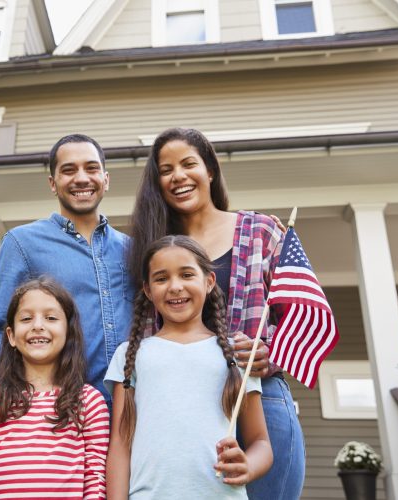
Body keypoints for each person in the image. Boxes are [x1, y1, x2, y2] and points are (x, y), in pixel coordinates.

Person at [127, 128, 305, 499]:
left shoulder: (262, 232)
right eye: (166, 169)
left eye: (189, 163)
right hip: (184, 410)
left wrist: (267, 350)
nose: (178, 175)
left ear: (210, 170)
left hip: (261, 401)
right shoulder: (155, 250)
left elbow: (298, 317)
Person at [0, 134, 134, 427]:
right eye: (68, 170)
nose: (81, 178)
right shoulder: (22, 243)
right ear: (53, 183)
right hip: (62, 415)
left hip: (131, 412)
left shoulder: (133, 249)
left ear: (106, 179)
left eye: (91, 169)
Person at [105, 235, 272, 499]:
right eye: (161, 278)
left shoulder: (236, 353)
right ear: (148, 290)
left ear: (209, 281)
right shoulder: (130, 355)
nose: (175, 287)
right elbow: (120, 444)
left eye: (186, 275)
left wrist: (248, 465)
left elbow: (261, 442)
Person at [0, 278, 110, 499]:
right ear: (11, 336)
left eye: (51, 318)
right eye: (26, 318)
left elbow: (96, 483)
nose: (38, 325)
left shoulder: (90, 401)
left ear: (69, 333)